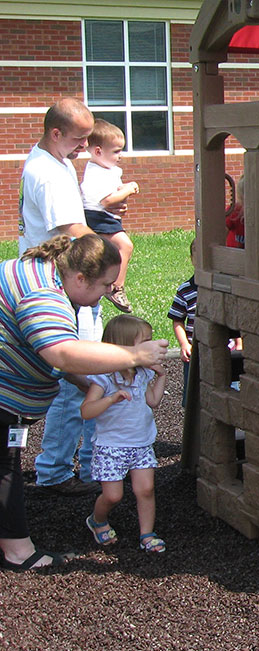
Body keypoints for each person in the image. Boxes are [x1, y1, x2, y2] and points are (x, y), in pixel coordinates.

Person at [0, 235, 168, 571]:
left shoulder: (41, 271)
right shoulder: (44, 294)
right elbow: (61, 352)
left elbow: (55, 358)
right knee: (5, 467)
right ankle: (17, 550)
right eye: (106, 284)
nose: (109, 291)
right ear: (81, 278)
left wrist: (89, 380)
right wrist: (133, 354)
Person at [18, 98, 105, 496]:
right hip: (62, 285)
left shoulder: (52, 160)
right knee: (78, 381)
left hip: (68, 279)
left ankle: (84, 466)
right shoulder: (48, 174)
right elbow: (72, 229)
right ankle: (55, 471)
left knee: (83, 380)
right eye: (79, 139)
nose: (84, 148)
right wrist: (112, 257)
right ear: (56, 133)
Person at [81, 315, 169, 554]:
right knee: (113, 496)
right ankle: (97, 520)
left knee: (146, 490)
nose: (152, 346)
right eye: (146, 342)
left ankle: (147, 534)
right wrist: (111, 398)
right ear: (126, 346)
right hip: (111, 447)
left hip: (141, 444)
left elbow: (153, 401)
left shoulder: (143, 374)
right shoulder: (104, 377)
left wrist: (161, 377)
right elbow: (86, 411)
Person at [79, 118, 138, 313]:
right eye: (116, 151)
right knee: (125, 245)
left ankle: (103, 283)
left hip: (105, 217)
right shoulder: (97, 173)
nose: (120, 156)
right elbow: (107, 201)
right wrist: (128, 189)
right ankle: (115, 288)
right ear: (98, 151)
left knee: (106, 254)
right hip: (97, 217)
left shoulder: (107, 170)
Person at [168, 239, 198, 407]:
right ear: (191, 258)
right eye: (197, 256)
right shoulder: (186, 289)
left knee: (228, 388)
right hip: (194, 351)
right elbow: (177, 320)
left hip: (223, 349)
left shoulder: (222, 288)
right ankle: (193, 428)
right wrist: (184, 344)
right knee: (192, 395)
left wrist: (238, 342)